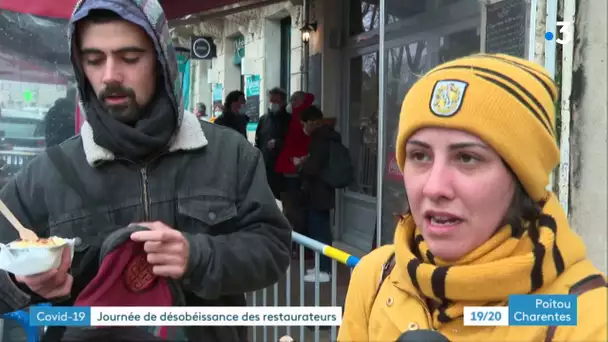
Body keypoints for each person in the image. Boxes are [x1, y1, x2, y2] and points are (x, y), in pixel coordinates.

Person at [0, 2, 291, 342]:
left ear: (161, 61)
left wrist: (198, 257)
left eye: (130, 57)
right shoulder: (46, 175)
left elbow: (273, 249)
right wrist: (22, 282)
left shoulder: (231, 154)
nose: (110, 75)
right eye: (94, 60)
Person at [338, 54, 607, 341]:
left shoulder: (583, 315)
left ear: (522, 179)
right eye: (419, 155)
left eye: (467, 158)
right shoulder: (377, 274)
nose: (434, 187)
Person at [296, 106, 338, 283]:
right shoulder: (325, 137)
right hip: (320, 191)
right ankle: (320, 265)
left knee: (320, 231)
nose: (304, 127)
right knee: (317, 229)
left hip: (319, 191)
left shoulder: (319, 139)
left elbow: (313, 167)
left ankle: (325, 270)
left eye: (305, 123)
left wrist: (301, 164)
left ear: (311, 122)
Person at [275, 91, 314, 251]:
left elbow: (297, 141)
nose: (290, 103)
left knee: (294, 209)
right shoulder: (295, 115)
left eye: (293, 100)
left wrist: (295, 158)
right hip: (290, 167)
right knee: (292, 207)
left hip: (294, 168)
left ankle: (297, 245)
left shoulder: (301, 115)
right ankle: (295, 244)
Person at [254, 87, 291, 199]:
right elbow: (258, 141)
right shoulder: (263, 119)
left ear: (283, 102)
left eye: (276, 101)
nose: (273, 104)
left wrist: (278, 143)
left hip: (283, 172)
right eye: (271, 101)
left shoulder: (289, 120)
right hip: (265, 168)